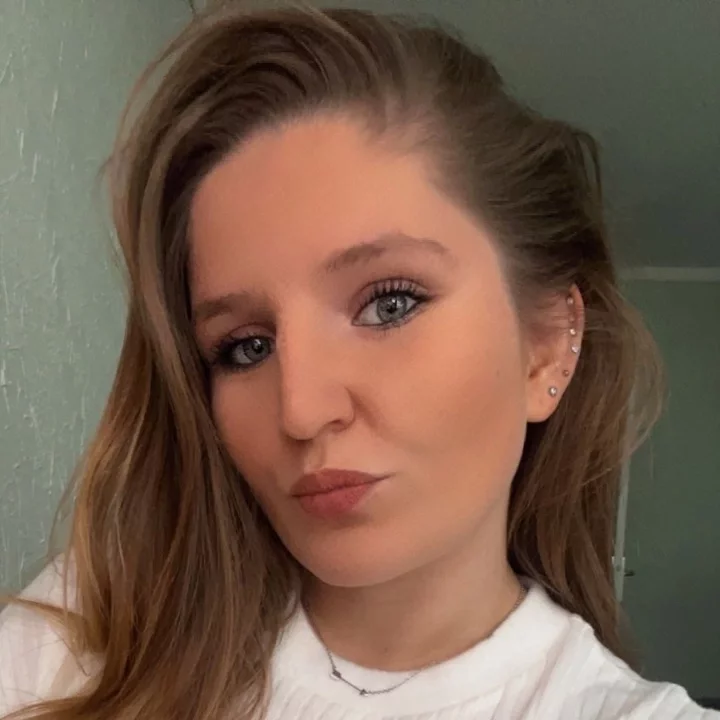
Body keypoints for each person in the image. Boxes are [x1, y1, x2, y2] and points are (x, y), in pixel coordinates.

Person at [0, 4, 715, 719]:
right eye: (246, 347)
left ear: (547, 347)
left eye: (390, 304)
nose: (302, 410)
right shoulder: (85, 638)